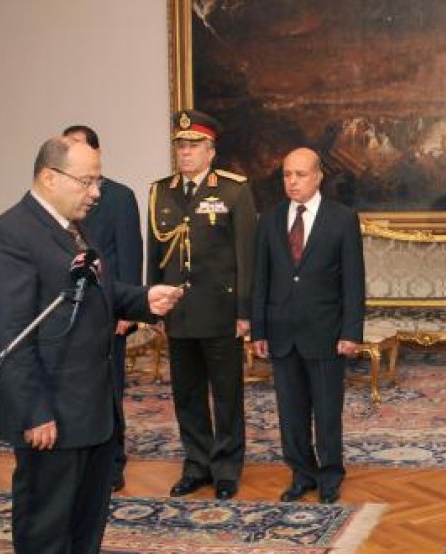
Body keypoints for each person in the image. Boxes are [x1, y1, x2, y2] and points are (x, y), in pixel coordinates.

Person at [0, 136, 184, 554]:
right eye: (87, 181)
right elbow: (11, 336)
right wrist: (35, 410)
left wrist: (142, 301)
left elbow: (102, 297)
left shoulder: (71, 232)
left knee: (88, 506)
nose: (96, 192)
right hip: (50, 408)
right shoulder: (10, 237)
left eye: (98, 180)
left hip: (91, 400)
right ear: (50, 178)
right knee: (48, 509)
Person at [147, 109, 258, 501]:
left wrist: (246, 312)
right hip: (178, 313)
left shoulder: (233, 190)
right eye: (180, 145)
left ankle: (226, 467)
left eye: (194, 145)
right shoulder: (161, 191)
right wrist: (153, 306)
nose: (186, 152)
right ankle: (196, 465)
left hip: (221, 313)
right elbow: (155, 254)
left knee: (226, 394)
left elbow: (247, 256)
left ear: (211, 150)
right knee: (187, 394)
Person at [252, 147, 365, 504]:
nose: (292, 182)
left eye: (300, 174)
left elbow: (353, 281)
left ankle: (330, 475)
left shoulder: (342, 219)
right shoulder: (269, 220)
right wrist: (259, 330)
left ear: (318, 177)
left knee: (327, 409)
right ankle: (301, 473)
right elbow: (261, 279)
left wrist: (351, 332)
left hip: (326, 333)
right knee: (291, 411)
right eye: (287, 175)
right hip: (282, 332)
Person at [62, 124, 143, 493]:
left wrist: (128, 313)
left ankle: (113, 463)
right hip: (67, 316)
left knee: (110, 391)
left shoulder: (119, 197)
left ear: (96, 154)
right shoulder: (58, 201)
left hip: (109, 313)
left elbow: (129, 254)